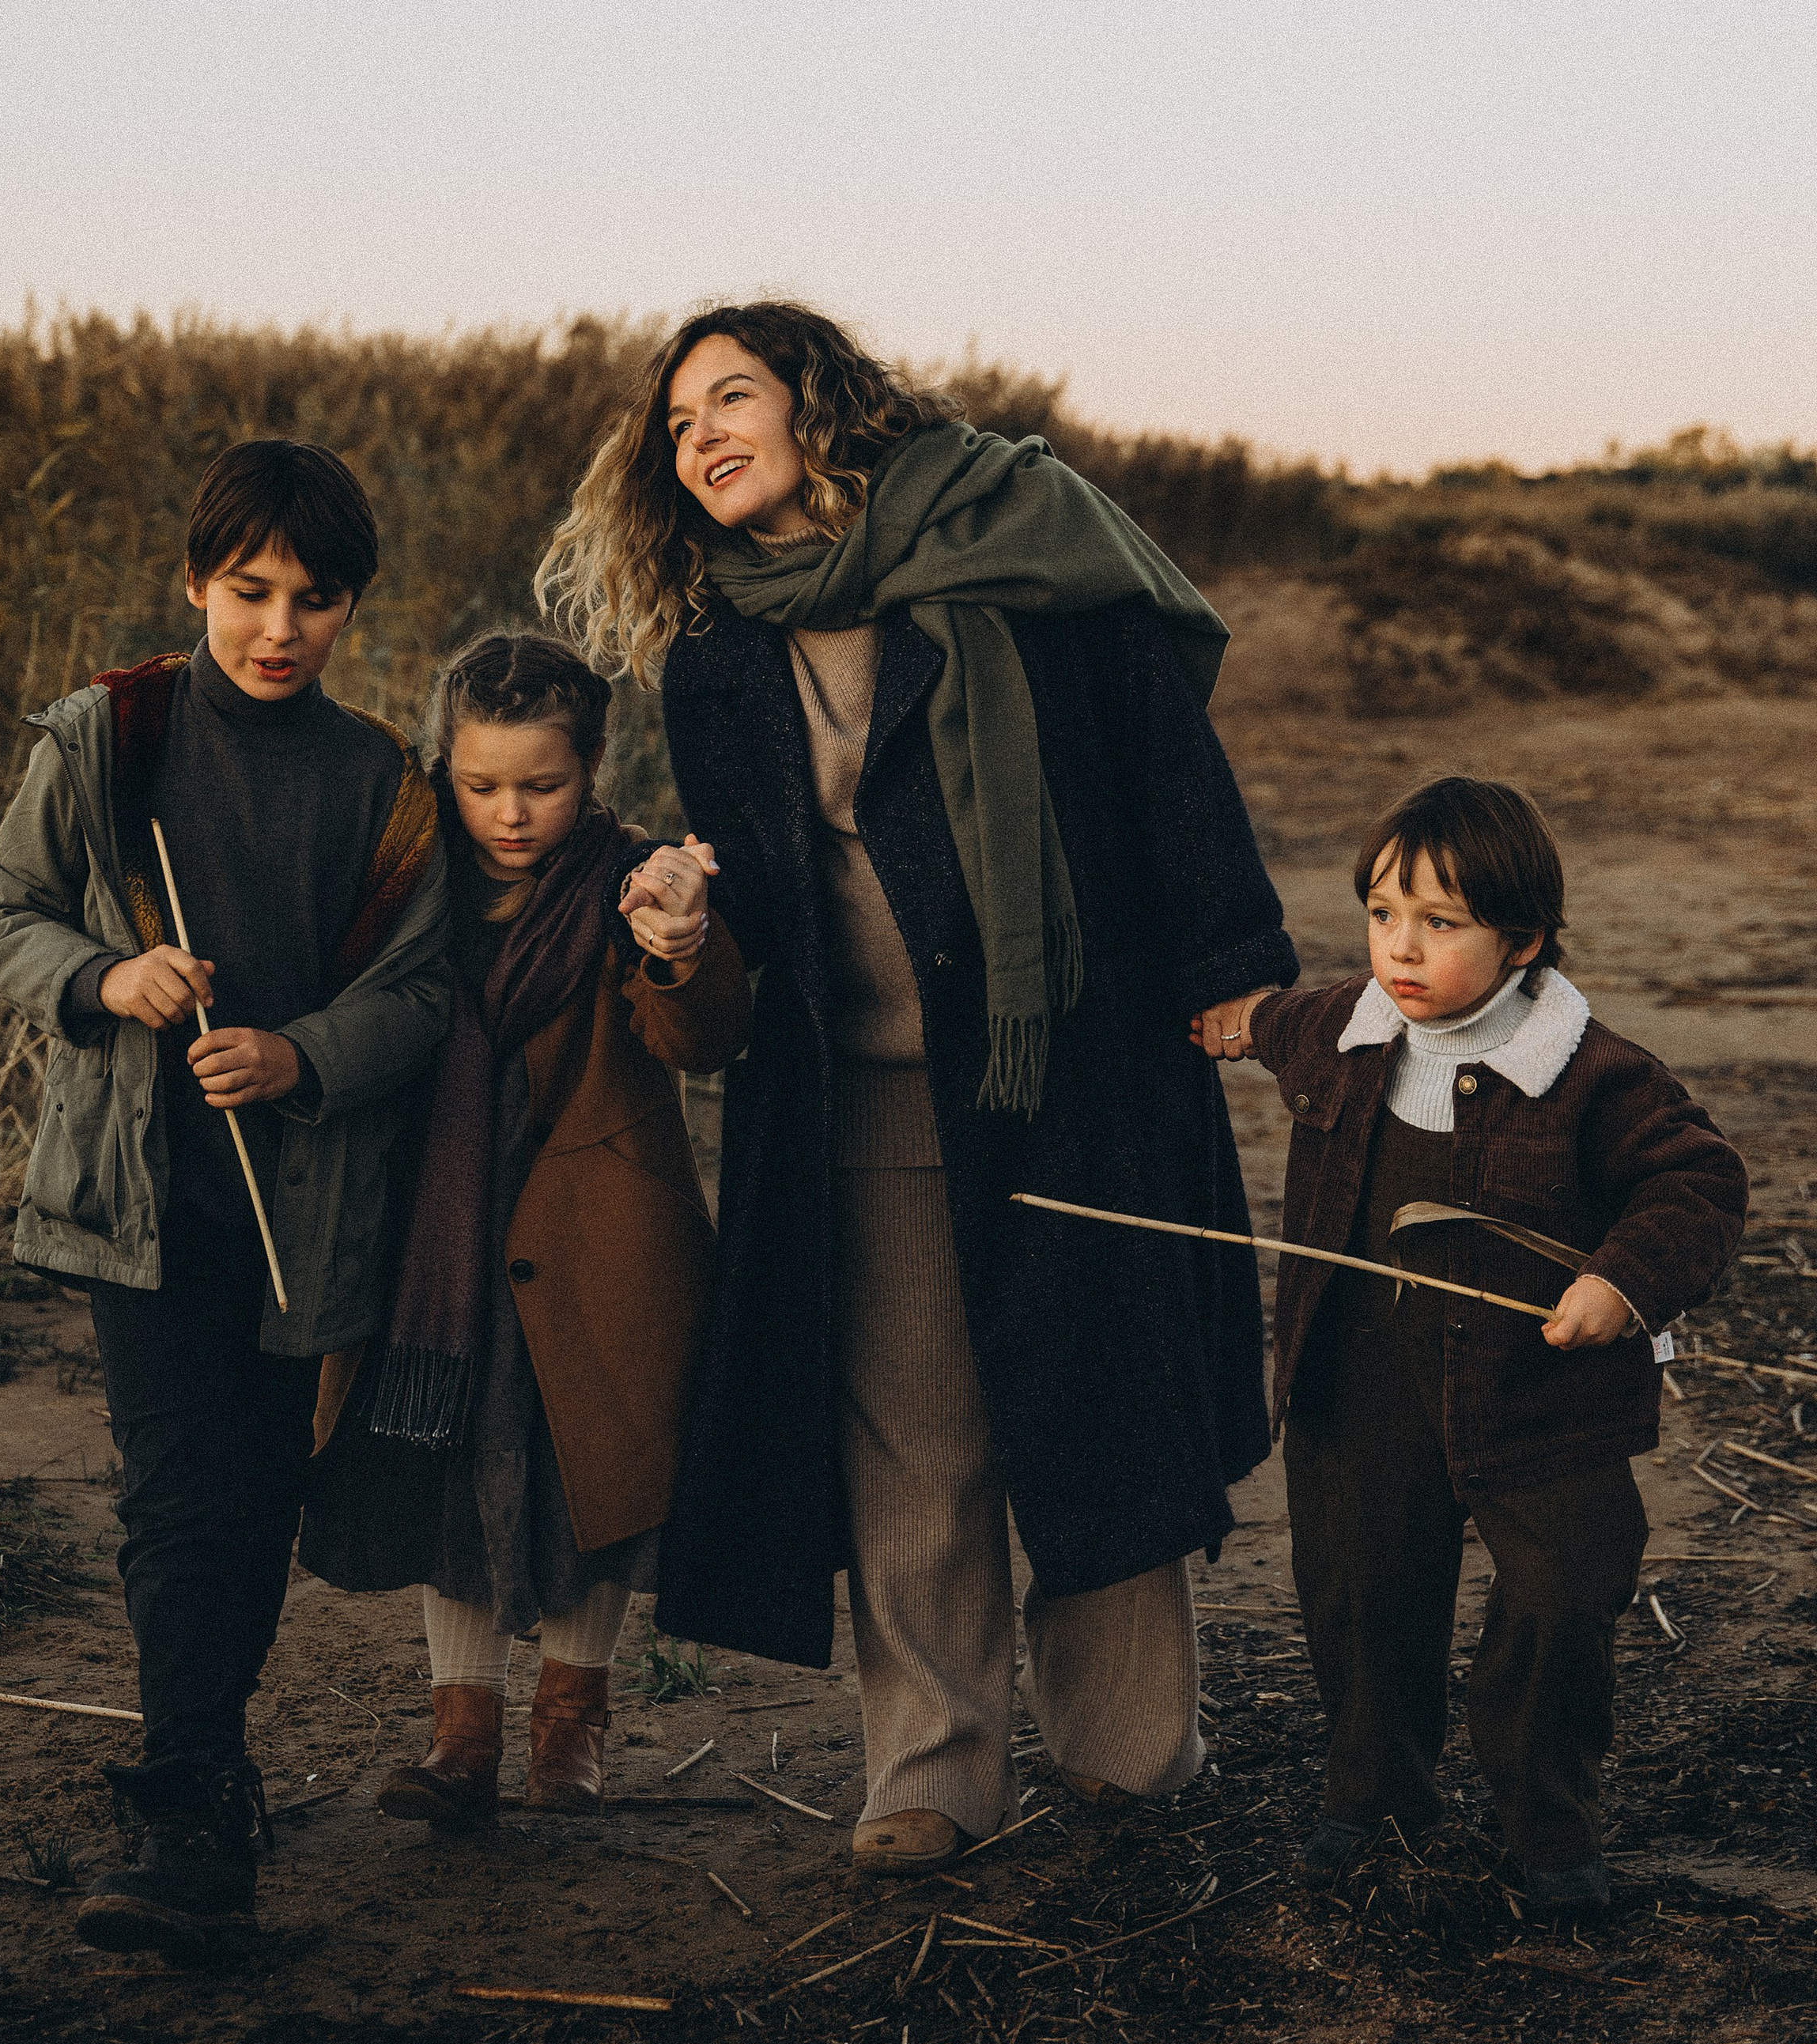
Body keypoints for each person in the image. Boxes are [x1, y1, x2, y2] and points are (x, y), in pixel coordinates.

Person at [537, 301, 1298, 1876]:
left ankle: (1128, 1749)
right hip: (856, 1102)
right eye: (674, 426)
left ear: (819, 405)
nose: (698, 439)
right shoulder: (719, 653)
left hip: (1065, 1066)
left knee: (1094, 1401)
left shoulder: (1010, 546)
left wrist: (1227, 950)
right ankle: (935, 1766)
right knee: (910, 1443)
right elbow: (757, 906)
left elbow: (1161, 746)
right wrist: (682, 939)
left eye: (727, 398)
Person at [0, 439, 451, 1961]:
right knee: (181, 1492)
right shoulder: (113, 736)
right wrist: (111, 976)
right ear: (197, 582)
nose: (279, 628)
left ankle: (211, 1772)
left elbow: (426, 991)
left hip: (305, 1205)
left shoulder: (388, 782)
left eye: (316, 600)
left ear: (353, 610)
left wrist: (301, 1056)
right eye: (250, 591)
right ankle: (188, 1805)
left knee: (255, 1494)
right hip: (141, 1197)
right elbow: (0, 921)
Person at [1208, 775, 1747, 1917]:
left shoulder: (1592, 1074)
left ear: (1522, 940)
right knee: (1360, 1591)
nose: (1400, 949)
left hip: (1539, 1398)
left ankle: (1549, 1823)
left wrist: (1620, 1280)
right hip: (1360, 1386)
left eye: (1440, 922)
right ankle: (1373, 1792)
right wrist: (1232, 1020)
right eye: (1382, 912)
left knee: (1566, 1593)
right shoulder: (1343, 1033)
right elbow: (1263, 1021)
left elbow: (1696, 1179)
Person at [299, 632, 750, 1826]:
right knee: (443, 1471)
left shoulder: (641, 879)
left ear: (593, 767)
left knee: (583, 1476)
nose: (510, 814)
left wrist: (680, 944)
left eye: (542, 787)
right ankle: (461, 1741)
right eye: (480, 783)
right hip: (432, 1251)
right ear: (443, 765)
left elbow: (703, 1039)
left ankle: (572, 1726)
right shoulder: (407, 882)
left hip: (602, 1242)